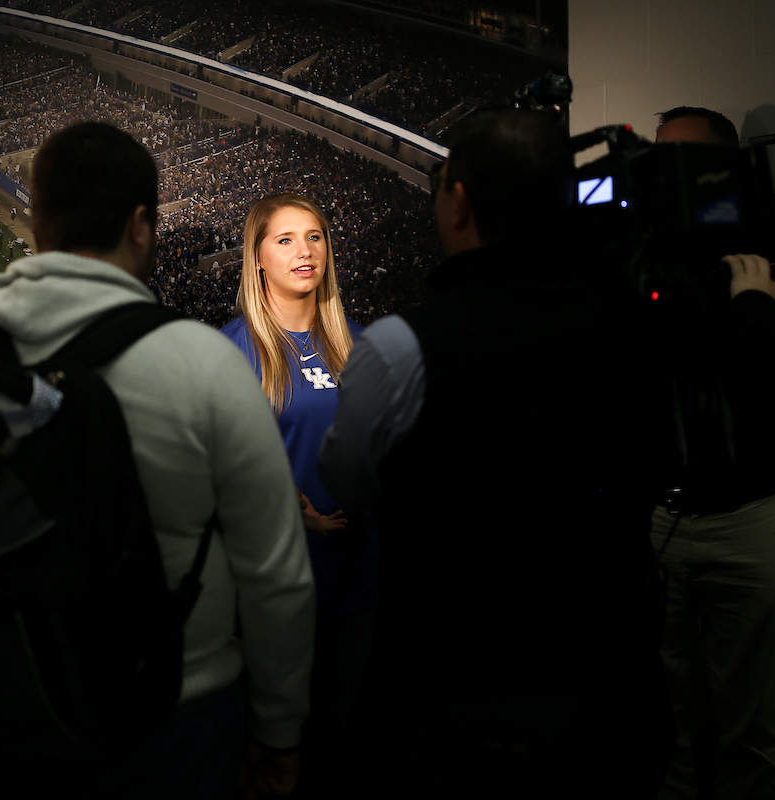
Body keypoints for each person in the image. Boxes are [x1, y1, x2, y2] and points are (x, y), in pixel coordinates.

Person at [0, 121, 315, 799]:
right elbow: (277, 578)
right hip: (171, 714)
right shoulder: (207, 362)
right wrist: (278, 733)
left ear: (38, 216)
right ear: (140, 225)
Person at [318, 107, 670, 798]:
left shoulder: (398, 348)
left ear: (458, 203)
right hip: (611, 688)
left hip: (461, 700)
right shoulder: (633, 323)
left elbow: (346, 477)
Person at [647, 105, 775, 800]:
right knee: (667, 733)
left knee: (752, 738)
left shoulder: (765, 254)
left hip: (750, 518)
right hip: (663, 519)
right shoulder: (642, 258)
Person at [220, 193, 378, 796]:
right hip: (274, 586)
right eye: (284, 239)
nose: (304, 250)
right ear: (257, 257)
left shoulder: (360, 345)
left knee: (335, 748)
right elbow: (225, 464)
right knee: (268, 753)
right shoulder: (236, 348)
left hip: (356, 579)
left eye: (313, 236)